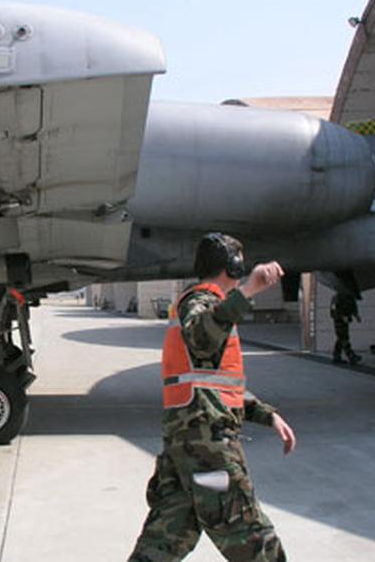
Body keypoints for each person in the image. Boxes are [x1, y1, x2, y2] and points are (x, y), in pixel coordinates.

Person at [129, 232, 296, 562]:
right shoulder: (201, 302)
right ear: (233, 267)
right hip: (207, 448)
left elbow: (218, 386)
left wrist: (267, 415)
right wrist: (250, 290)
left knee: (164, 539)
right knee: (248, 533)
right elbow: (202, 337)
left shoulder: (208, 306)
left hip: (187, 447)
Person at [330, 291, 362, 365]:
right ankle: (351, 356)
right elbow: (333, 311)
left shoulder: (349, 296)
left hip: (346, 320)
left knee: (341, 338)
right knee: (344, 338)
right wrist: (342, 317)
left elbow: (353, 306)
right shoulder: (337, 297)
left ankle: (336, 356)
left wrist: (356, 315)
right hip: (339, 321)